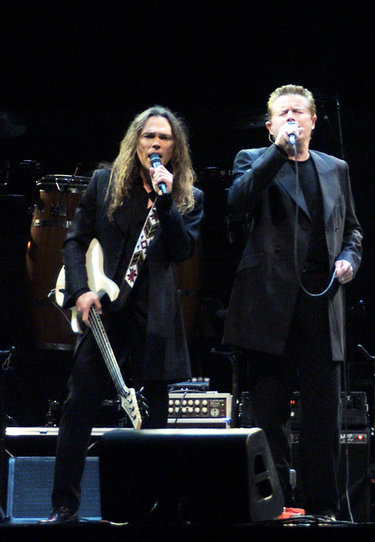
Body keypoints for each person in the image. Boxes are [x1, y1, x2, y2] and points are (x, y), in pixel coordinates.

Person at [43, 106, 203, 523]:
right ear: (136, 143)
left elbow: (184, 250)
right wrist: (79, 291)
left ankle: (158, 510)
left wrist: (167, 202)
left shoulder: (188, 197)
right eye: (148, 136)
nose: (155, 143)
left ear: (174, 148)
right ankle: (64, 506)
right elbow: (74, 242)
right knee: (78, 407)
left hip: (157, 322)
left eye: (164, 138)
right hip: (105, 317)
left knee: (155, 421)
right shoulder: (105, 184)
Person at [223, 84, 362, 517]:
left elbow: (353, 229)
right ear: (269, 126)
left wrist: (349, 259)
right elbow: (237, 203)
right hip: (268, 306)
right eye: (282, 113)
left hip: (322, 303)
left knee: (323, 416)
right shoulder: (253, 160)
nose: (291, 119)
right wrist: (278, 153)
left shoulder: (335, 168)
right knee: (270, 412)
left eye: (298, 112)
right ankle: (277, 504)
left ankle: (323, 506)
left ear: (314, 120)